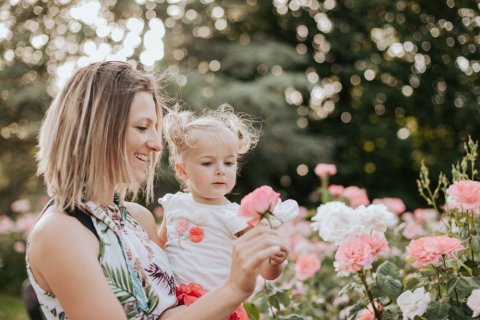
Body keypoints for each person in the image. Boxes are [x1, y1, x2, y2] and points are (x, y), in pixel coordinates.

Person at [26, 61, 288, 320]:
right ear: (97, 130)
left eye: (155, 128)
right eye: (142, 127)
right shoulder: (61, 232)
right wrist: (234, 289)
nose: (155, 144)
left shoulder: (139, 219)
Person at [158, 106, 288, 317]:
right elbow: (158, 248)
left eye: (229, 162)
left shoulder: (237, 216)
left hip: (220, 306)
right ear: (182, 171)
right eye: (208, 163)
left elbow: (266, 271)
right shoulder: (174, 205)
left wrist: (276, 262)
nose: (220, 170)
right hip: (178, 304)